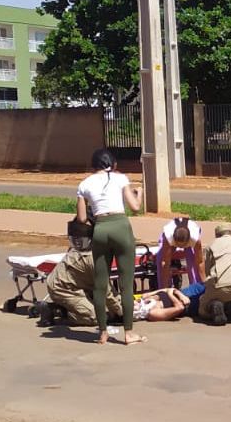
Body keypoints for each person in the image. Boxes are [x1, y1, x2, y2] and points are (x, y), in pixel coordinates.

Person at [76, 148, 145, 346]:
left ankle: (103, 332)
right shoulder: (121, 179)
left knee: (100, 283)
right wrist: (138, 193)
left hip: (100, 229)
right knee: (125, 282)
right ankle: (129, 333)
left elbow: (81, 218)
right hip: (121, 227)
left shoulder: (84, 184)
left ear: (93, 165)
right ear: (112, 164)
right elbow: (135, 207)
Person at [36, 221, 123, 328]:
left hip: (75, 284)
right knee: (98, 317)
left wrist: (120, 302)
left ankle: (66, 307)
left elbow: (108, 288)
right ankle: (56, 310)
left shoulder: (87, 249)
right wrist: (122, 313)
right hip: (62, 288)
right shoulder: (94, 259)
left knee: (107, 307)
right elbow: (105, 290)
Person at [155, 216, 204, 289]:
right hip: (171, 237)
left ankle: (196, 287)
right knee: (160, 259)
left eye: (183, 245)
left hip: (189, 236)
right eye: (177, 245)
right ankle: (164, 288)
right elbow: (165, 263)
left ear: (188, 241)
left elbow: (200, 262)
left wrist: (205, 284)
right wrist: (164, 289)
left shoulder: (195, 239)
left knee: (193, 260)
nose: (180, 247)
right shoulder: (168, 238)